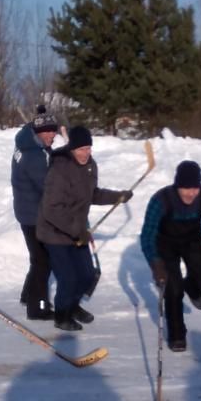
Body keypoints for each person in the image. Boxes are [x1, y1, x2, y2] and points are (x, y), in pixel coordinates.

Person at [36, 126, 132, 331]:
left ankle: (73, 305)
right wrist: (75, 230)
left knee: (87, 274)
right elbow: (51, 209)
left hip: (76, 230)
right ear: (71, 149)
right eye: (81, 149)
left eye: (88, 148)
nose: (85, 153)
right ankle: (62, 315)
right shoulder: (60, 170)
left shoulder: (90, 166)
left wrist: (117, 197)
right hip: (54, 232)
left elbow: (92, 194)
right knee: (69, 278)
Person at [140, 159, 201, 352]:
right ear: (177, 185)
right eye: (186, 188)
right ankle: (177, 335)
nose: (191, 193)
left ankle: (192, 287)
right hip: (165, 242)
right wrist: (156, 264)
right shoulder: (161, 199)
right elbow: (147, 235)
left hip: (193, 239)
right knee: (173, 290)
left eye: (194, 188)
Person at [11, 105, 59, 319]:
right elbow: (47, 188)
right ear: (38, 132)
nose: (53, 135)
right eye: (48, 131)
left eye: (54, 130)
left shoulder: (27, 141)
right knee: (43, 260)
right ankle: (37, 308)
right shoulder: (35, 156)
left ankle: (27, 295)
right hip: (34, 214)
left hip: (27, 210)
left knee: (38, 258)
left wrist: (40, 117)